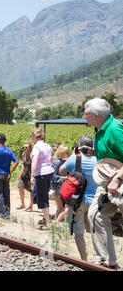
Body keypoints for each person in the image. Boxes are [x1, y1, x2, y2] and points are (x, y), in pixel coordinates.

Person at [83, 98, 123, 269]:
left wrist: (118, 178)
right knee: (95, 214)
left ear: (96, 115)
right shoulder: (99, 130)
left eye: (85, 114)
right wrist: (91, 152)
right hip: (107, 183)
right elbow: (109, 156)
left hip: (119, 180)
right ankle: (108, 261)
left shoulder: (115, 129)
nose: (84, 117)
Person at [59, 135, 97, 261]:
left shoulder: (75, 157)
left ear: (79, 146)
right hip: (94, 202)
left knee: (78, 232)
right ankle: (100, 257)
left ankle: (84, 260)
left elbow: (61, 171)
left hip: (77, 201)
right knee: (95, 232)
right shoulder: (97, 160)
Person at [0, 133, 19, 219]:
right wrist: (10, 172)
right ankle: (7, 212)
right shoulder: (9, 150)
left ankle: (2, 214)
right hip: (6, 175)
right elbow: (17, 162)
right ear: (5, 141)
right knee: (6, 194)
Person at [30, 127, 54, 229]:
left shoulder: (36, 147)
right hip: (49, 172)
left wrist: (32, 175)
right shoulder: (47, 146)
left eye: (32, 136)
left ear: (35, 136)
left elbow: (35, 160)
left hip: (41, 173)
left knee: (42, 198)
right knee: (43, 196)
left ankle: (48, 223)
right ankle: (45, 217)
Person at [51, 145, 70, 221]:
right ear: (62, 152)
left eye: (68, 152)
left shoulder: (63, 160)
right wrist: (63, 178)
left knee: (60, 206)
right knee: (60, 206)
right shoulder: (57, 161)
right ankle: (57, 221)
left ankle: (57, 220)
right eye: (67, 152)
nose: (68, 153)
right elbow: (52, 175)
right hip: (57, 186)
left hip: (61, 186)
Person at [17, 140, 33, 211]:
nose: (25, 149)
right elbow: (23, 164)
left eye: (26, 147)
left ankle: (31, 206)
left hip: (31, 173)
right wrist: (21, 172)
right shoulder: (23, 154)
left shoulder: (32, 155)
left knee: (31, 190)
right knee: (20, 186)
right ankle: (22, 204)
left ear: (30, 148)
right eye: (24, 147)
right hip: (24, 172)